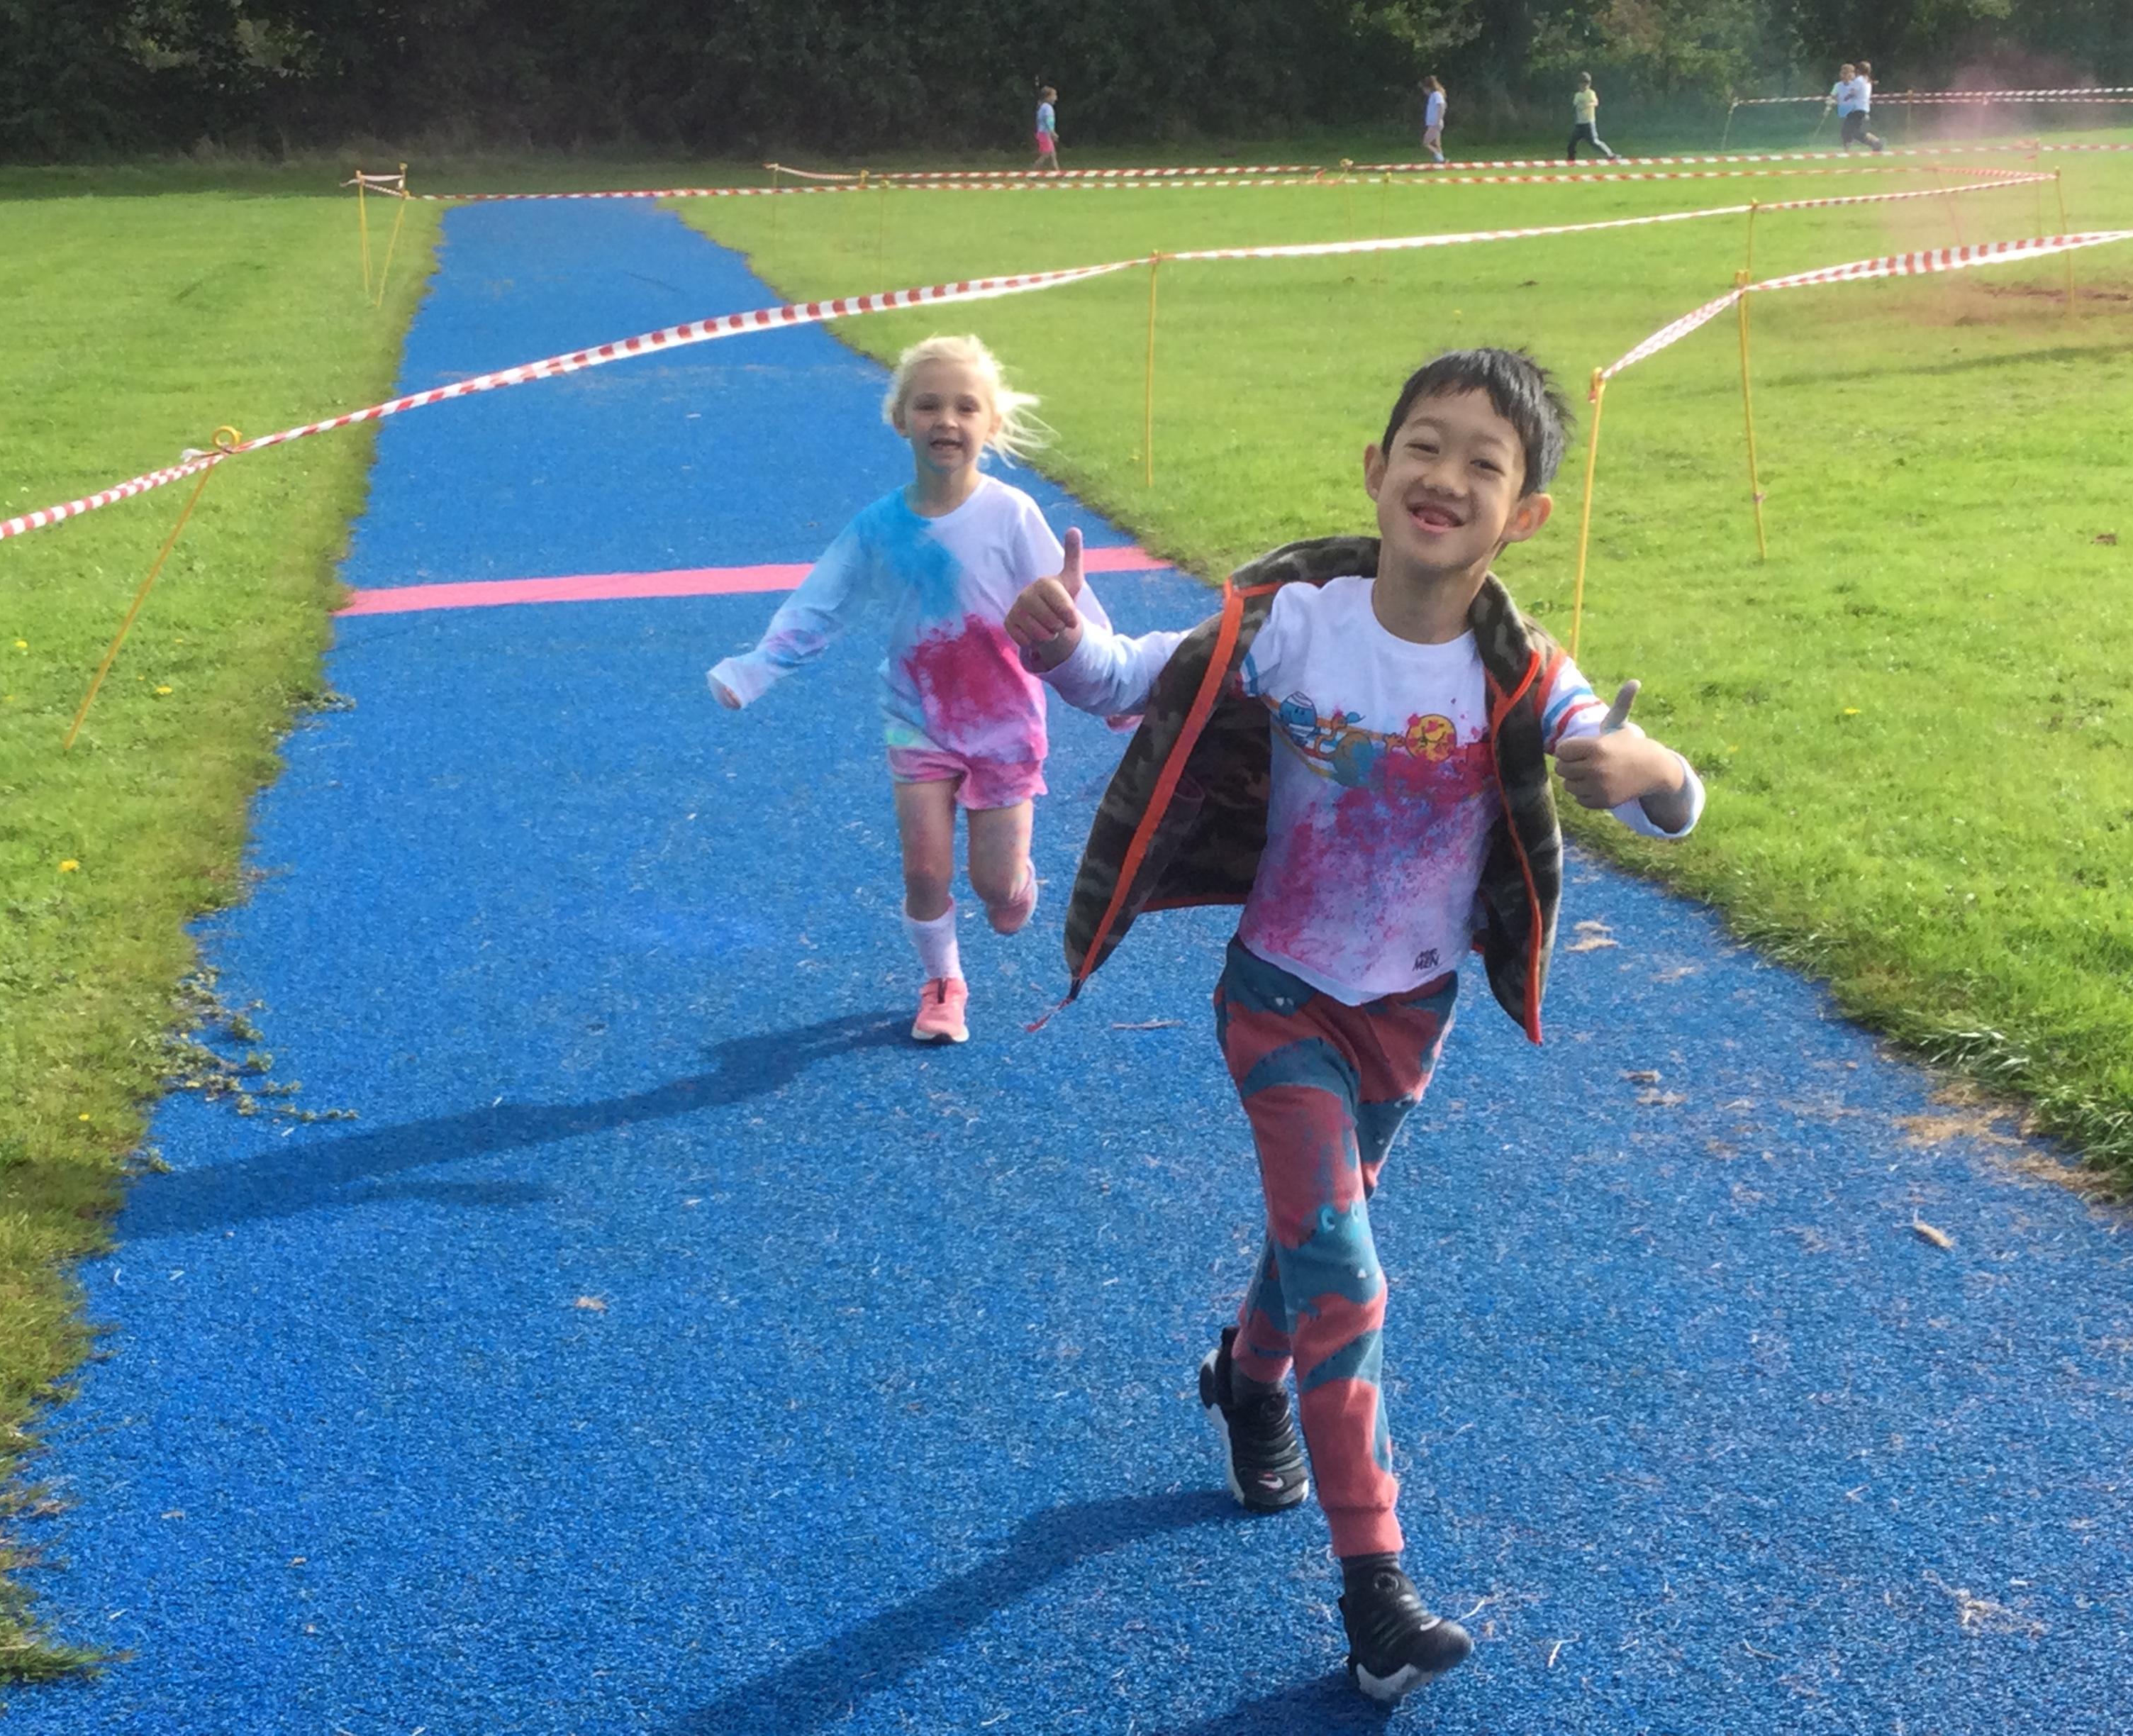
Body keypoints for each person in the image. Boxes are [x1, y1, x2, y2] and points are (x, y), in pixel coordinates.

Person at [1003, 349, 1704, 1704]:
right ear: (1374, 469)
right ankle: (1374, 1588)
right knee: (1342, 1267)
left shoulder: (1519, 672)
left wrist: (1649, 771)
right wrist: (1057, 640)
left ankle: (1245, 1374)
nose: (1444, 477)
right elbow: (1128, 677)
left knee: (1312, 1233)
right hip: (1275, 998)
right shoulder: (1292, 625)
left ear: (1524, 514)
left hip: (1406, 1017)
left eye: (1483, 463)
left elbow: (1666, 795)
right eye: (1422, 446)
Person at [706, 335, 1105, 1044]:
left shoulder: (1011, 515)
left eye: (965, 407)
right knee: (924, 871)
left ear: (992, 423)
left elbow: (1069, 601)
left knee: (994, 890)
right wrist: (755, 668)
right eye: (928, 405)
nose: (946, 420)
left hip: (1004, 724)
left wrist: (1115, 687)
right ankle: (944, 984)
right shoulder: (878, 527)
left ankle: (1014, 881)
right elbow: (820, 604)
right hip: (916, 717)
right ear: (901, 419)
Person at [1829, 60, 1885, 151]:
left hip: (1857, 108)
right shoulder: (1867, 80)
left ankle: (1876, 142)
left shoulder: (1859, 80)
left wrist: (1844, 99)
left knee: (1854, 132)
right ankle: (1874, 143)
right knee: (1849, 130)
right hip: (1861, 108)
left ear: (1858, 70)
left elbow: (1853, 93)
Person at [1568, 71, 1616, 160]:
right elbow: (1575, 105)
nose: (1584, 86)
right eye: (1582, 84)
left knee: (1594, 142)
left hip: (1589, 123)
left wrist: (1588, 105)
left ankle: (1610, 154)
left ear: (1589, 85)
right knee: (1572, 142)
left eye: (1586, 84)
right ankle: (1571, 159)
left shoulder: (1591, 93)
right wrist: (1578, 106)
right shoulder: (1577, 95)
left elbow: (1596, 102)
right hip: (1579, 124)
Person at [1421, 76, 1447, 163]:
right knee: (1437, 144)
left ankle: (1439, 157)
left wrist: (1439, 120)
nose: (1424, 91)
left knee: (1426, 143)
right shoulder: (1433, 96)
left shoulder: (1436, 95)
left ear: (1428, 88)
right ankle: (1441, 161)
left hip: (1435, 124)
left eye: (1424, 89)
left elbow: (1441, 106)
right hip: (1433, 123)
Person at [1034, 86, 1061, 170]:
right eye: (1054, 95)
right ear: (1048, 97)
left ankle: (1057, 171)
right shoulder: (1048, 108)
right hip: (1045, 133)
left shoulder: (1043, 107)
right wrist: (1052, 132)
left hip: (1042, 133)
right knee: (1047, 153)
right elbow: (1049, 120)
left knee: (1053, 154)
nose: (1056, 98)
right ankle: (1035, 169)